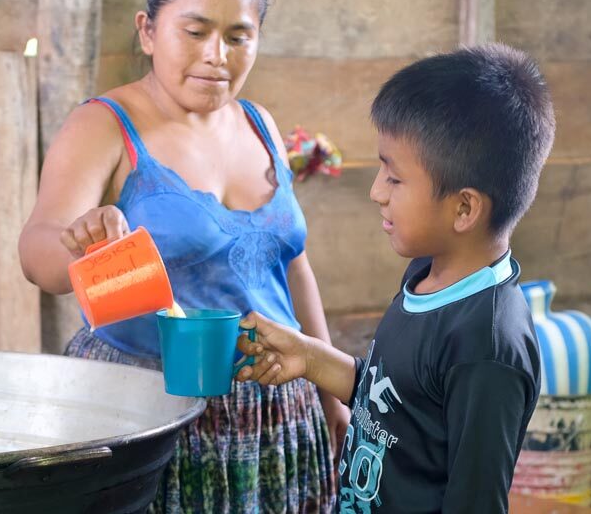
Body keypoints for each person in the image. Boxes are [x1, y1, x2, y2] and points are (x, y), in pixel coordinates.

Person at [18, 0, 349, 513]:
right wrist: (83, 247)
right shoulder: (105, 126)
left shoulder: (260, 123)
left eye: (238, 36)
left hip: (274, 413)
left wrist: (332, 398)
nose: (216, 55)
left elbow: (293, 267)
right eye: (195, 32)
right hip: (147, 411)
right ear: (148, 31)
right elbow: (37, 254)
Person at [236, 44, 555, 513]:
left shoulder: (487, 347)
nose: (375, 192)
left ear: (464, 208)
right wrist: (309, 357)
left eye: (394, 177)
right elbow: (399, 407)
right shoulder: (427, 273)